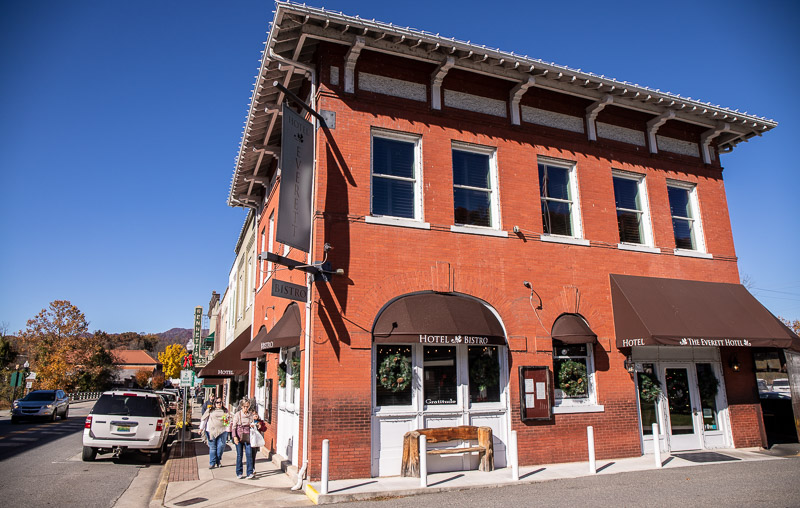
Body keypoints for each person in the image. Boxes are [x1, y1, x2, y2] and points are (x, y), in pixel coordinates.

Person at [231, 397, 261, 479]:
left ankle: (250, 472)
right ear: (241, 406)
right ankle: (239, 472)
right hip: (239, 436)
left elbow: (253, 423)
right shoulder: (238, 415)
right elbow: (233, 427)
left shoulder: (250, 414)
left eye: (247, 406)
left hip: (248, 436)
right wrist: (234, 437)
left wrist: (255, 425)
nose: (246, 408)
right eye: (244, 406)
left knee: (249, 454)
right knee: (239, 455)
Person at [201, 398, 229, 469]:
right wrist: (201, 428)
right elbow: (204, 419)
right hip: (211, 431)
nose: (219, 404)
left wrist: (228, 428)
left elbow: (226, 422)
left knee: (220, 447)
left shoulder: (225, 411)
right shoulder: (210, 410)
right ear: (214, 403)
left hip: (222, 431)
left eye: (220, 402)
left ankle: (218, 460)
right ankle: (212, 463)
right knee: (213, 448)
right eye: (217, 402)